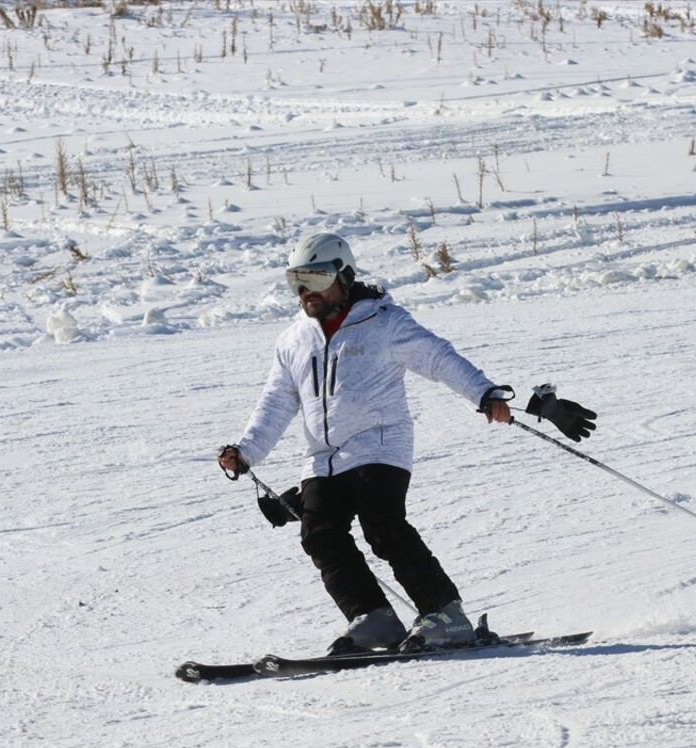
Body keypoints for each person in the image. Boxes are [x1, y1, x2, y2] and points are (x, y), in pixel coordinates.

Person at [217, 232, 595, 654]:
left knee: (382, 526)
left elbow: (438, 358)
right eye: (296, 283)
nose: (306, 293)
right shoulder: (293, 339)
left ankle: (445, 613)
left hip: (380, 448)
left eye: (316, 279)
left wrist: (484, 394)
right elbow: (277, 400)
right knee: (319, 533)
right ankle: (373, 618)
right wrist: (247, 449)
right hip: (322, 460)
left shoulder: (384, 322)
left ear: (343, 275)